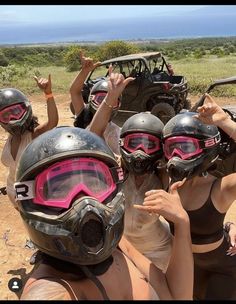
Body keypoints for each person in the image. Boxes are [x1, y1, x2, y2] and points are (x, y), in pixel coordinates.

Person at [14, 126, 193, 300]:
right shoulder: (51, 290)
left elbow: (176, 295)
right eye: (59, 189)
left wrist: (182, 223)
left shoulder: (119, 246)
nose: (85, 203)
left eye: (95, 183)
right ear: (30, 199)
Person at [135, 93, 236, 300]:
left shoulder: (221, 187)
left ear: (207, 147)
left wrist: (225, 122)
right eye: (172, 148)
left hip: (223, 268)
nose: (177, 156)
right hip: (186, 266)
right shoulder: (167, 180)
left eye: (186, 147)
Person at [89, 75, 172, 272]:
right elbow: (93, 136)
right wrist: (112, 96)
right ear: (122, 144)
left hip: (158, 250)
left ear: (160, 149)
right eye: (133, 143)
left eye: (149, 144)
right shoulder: (115, 168)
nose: (140, 151)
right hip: (120, 248)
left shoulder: (165, 175)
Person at [0, 74, 58, 211]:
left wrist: (48, 94)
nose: (12, 118)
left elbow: (52, 122)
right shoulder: (10, 138)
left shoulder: (33, 135)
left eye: (16, 112)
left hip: (34, 196)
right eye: (5, 115)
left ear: (26, 109)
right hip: (14, 193)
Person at [69, 52, 130, 155]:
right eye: (100, 98)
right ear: (91, 99)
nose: (104, 104)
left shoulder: (115, 132)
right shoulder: (83, 114)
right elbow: (74, 91)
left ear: (118, 105)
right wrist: (85, 71)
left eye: (110, 99)